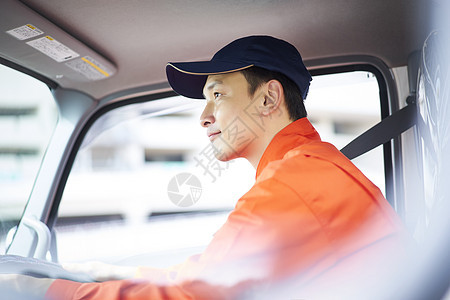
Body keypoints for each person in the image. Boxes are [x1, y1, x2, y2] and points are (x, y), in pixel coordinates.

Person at [2, 35, 409, 299]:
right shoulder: (311, 167)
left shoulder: (295, 183)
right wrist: (95, 271)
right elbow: (208, 273)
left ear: (268, 100)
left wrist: (35, 291)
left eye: (218, 94)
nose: (204, 116)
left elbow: (192, 296)